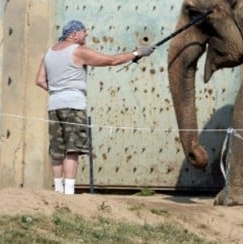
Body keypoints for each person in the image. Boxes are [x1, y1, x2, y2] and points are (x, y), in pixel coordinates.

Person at [35, 20, 154, 194]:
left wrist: (58, 90)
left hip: (54, 104)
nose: (87, 34)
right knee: (72, 149)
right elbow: (111, 61)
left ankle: (57, 190)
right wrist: (137, 53)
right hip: (73, 105)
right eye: (84, 31)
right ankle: (69, 192)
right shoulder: (78, 51)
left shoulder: (49, 53)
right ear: (74, 34)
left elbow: (39, 80)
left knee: (57, 149)